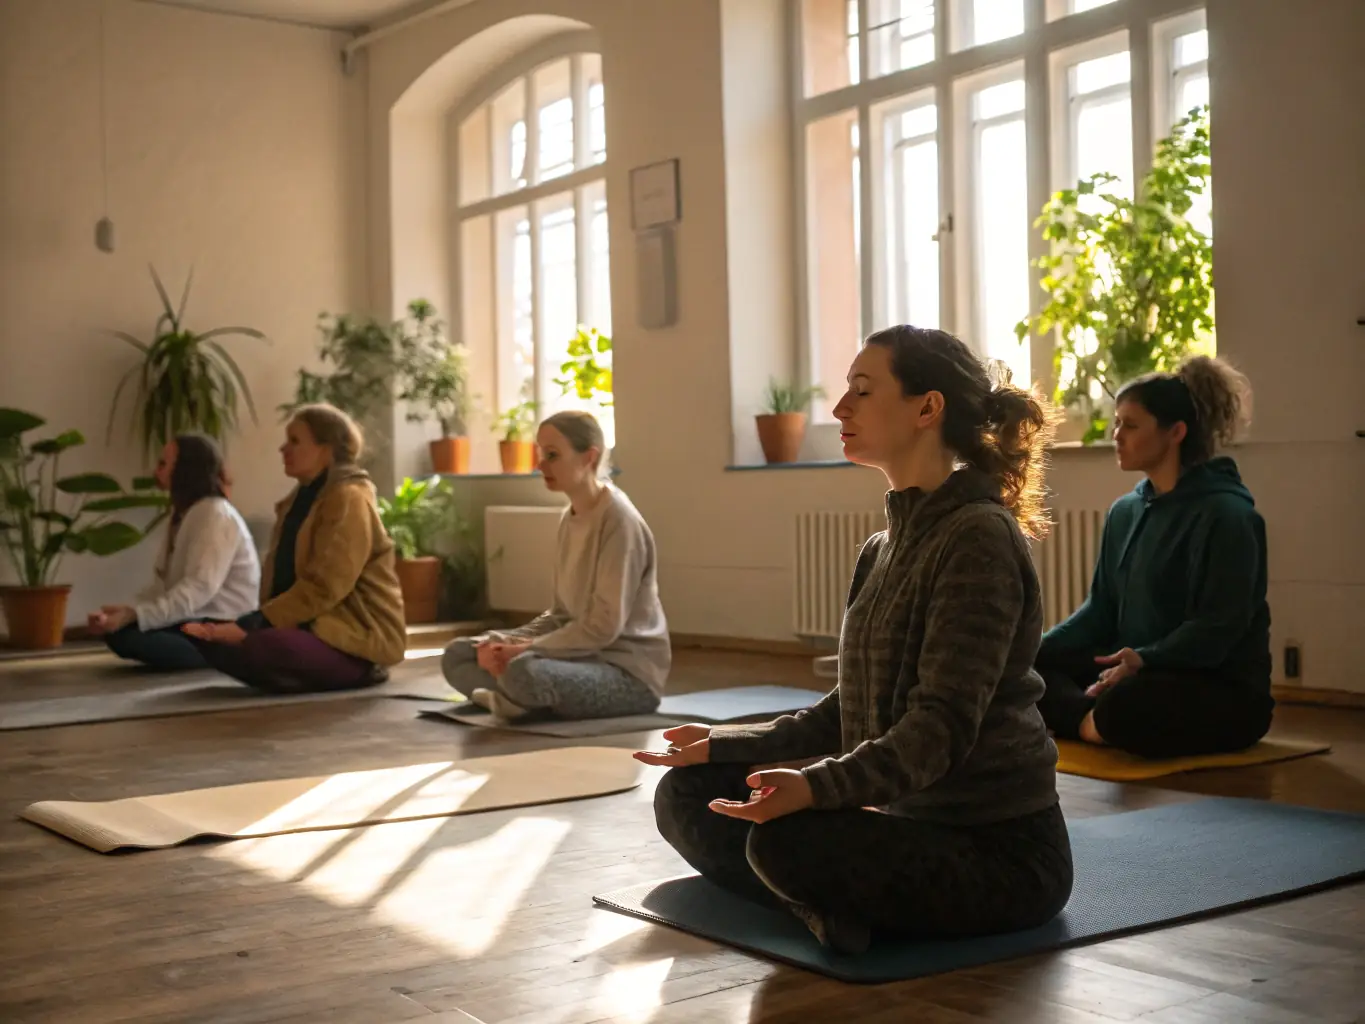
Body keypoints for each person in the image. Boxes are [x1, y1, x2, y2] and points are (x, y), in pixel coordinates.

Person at [638, 326, 1073, 955]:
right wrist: (723, 745)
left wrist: (815, 788)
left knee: (783, 840)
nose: (840, 408)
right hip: (909, 827)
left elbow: (942, 727)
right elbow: (849, 711)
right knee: (688, 794)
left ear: (928, 408)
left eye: (862, 391)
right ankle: (825, 910)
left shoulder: (979, 537)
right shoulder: (882, 549)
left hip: (1000, 854)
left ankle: (820, 902)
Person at [1035, 355, 1273, 759]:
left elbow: (1217, 629)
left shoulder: (1229, 517)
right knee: (1028, 673)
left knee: (1126, 702)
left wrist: (1144, 659)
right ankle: (1091, 724)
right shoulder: (1124, 511)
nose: (1116, 435)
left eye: (1130, 425)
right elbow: (1100, 610)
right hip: (1131, 671)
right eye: (1116, 424)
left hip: (1215, 688)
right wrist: (1033, 650)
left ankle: (1088, 720)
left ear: (1175, 432)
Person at [442, 410, 670, 721]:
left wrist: (525, 650)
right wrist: (505, 642)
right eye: (540, 453)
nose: (540, 464)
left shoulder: (619, 522)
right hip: (575, 660)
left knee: (523, 671)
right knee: (460, 654)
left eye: (552, 455)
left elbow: (603, 627)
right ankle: (515, 701)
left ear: (588, 457)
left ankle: (513, 699)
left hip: (626, 675)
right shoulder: (570, 517)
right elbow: (561, 615)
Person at [183, 404, 406, 693]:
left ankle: (351, 670)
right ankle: (292, 671)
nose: (283, 449)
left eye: (295, 441)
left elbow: (325, 586)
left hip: (350, 634)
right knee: (207, 637)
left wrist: (255, 624)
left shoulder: (348, 499)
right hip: (300, 627)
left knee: (259, 644)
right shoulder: (296, 501)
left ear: (326, 450)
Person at [87, 434, 259, 672]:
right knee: (118, 632)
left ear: (185, 469)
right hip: (193, 619)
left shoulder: (215, 514)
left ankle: (218, 655)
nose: (156, 471)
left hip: (219, 625)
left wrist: (137, 615)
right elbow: (165, 585)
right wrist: (127, 612)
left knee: (131, 637)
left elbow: (198, 589)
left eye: (163, 464)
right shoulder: (187, 514)